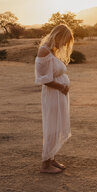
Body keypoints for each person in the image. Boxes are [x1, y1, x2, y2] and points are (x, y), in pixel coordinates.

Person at [35, 24, 74, 174]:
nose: (65, 44)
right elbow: (43, 79)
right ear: (59, 36)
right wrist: (61, 87)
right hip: (53, 94)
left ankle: (51, 158)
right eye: (65, 40)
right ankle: (45, 164)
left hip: (59, 94)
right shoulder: (44, 50)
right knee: (51, 126)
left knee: (56, 125)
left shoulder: (52, 50)